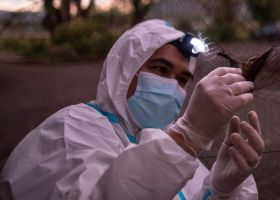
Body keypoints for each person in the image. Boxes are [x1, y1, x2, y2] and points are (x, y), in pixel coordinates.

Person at [0, 19, 264, 200]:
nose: (172, 86)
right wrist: (188, 136)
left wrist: (219, 190)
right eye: (161, 69)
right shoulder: (69, 132)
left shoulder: (171, 146)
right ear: (123, 71)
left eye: (183, 80)